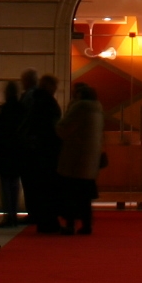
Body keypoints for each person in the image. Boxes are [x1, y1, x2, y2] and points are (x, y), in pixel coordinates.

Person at [55, 82, 104, 234]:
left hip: (75, 157)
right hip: (90, 159)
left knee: (71, 194)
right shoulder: (98, 109)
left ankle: (70, 225)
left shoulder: (79, 107)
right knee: (85, 197)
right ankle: (86, 224)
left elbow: (63, 129)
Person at [19, 73, 63, 233]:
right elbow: (51, 127)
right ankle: (49, 223)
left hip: (35, 149)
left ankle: (43, 220)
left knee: (39, 188)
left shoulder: (34, 100)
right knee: (48, 188)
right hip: (46, 150)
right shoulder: (47, 103)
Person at [0, 79, 26, 227]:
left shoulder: (3, 110)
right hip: (17, 151)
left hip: (5, 151)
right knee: (15, 184)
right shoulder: (21, 108)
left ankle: (8, 215)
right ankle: (13, 214)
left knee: (5, 185)